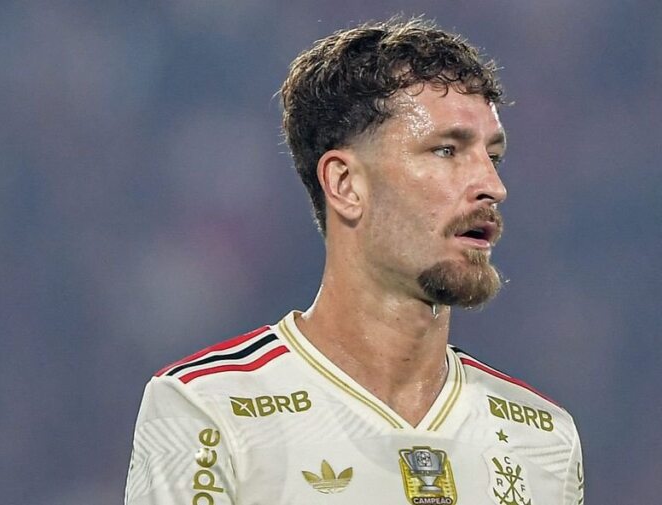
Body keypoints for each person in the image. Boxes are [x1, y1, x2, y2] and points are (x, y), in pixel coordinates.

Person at [125, 17, 584, 505]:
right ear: (345, 185)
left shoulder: (544, 438)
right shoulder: (207, 411)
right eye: (446, 150)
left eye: (493, 157)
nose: (492, 186)